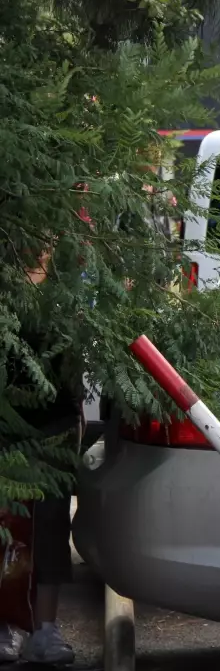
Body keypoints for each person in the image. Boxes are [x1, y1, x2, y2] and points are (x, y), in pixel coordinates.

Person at [0, 249, 82, 667]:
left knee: (50, 521)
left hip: (55, 419)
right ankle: (3, 625)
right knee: (4, 523)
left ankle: (44, 629)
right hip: (5, 415)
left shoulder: (72, 272)